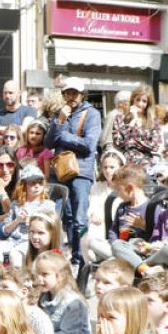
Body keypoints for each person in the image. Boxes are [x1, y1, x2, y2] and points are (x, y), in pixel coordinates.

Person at [43, 77, 102, 265]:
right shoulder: (59, 113)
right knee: (63, 217)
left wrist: (62, 135)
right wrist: (59, 121)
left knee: (79, 219)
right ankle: (68, 257)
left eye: (75, 93)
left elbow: (89, 144)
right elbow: (48, 143)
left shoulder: (92, 114)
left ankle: (82, 259)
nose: (71, 97)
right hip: (61, 172)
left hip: (81, 172)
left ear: (82, 95)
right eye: (68, 93)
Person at [111, 85, 163, 169]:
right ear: (133, 100)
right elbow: (118, 142)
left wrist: (133, 141)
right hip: (125, 162)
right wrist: (132, 121)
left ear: (148, 103)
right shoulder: (120, 118)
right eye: (138, 100)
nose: (140, 104)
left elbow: (155, 146)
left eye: (144, 101)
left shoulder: (154, 121)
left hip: (145, 163)